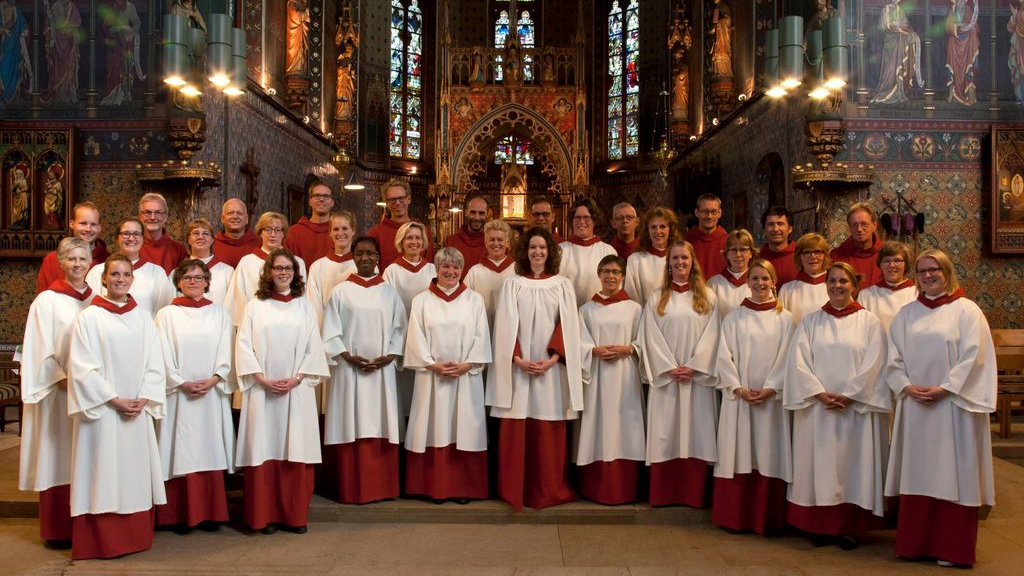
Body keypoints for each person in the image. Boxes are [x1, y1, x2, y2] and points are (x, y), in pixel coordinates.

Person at [885, 249, 996, 568]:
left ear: (947, 272)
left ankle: (952, 548)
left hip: (953, 408)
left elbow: (975, 356)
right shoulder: (907, 314)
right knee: (920, 473)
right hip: (917, 407)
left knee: (953, 473)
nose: (928, 275)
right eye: (921, 272)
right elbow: (893, 358)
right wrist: (905, 385)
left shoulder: (967, 311)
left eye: (934, 270)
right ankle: (915, 544)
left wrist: (945, 388)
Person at [784, 262, 890, 550]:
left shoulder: (869, 322)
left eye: (843, 281)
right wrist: (818, 393)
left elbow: (876, 363)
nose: (837, 285)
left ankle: (848, 527)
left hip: (854, 409)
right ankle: (818, 525)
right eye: (832, 280)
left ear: (854, 285)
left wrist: (851, 394)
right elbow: (798, 362)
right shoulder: (810, 321)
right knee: (819, 466)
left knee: (851, 467)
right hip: (819, 409)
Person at [67, 253, 166, 560]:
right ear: (104, 278)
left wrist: (145, 397)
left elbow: (155, 362)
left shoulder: (143, 318)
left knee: (132, 473)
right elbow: (82, 368)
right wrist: (114, 399)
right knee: (101, 474)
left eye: (126, 274)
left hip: (136, 409)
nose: (121, 279)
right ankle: (100, 541)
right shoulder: (89, 318)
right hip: (103, 411)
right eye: (115, 274)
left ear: (132, 279)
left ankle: (134, 537)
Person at [487, 227, 583, 511]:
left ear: (550, 252)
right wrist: (517, 359)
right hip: (519, 369)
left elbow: (568, 325)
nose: (537, 253)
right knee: (517, 424)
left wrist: (553, 359)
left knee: (547, 426)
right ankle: (515, 488)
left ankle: (549, 489)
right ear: (524, 252)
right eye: (532, 248)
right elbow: (504, 326)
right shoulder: (512, 284)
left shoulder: (563, 285)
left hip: (550, 369)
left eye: (542, 248)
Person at [234, 248, 329, 534]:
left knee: (294, 450)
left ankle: (294, 515)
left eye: (288, 268)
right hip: (262, 391)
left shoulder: (304, 306)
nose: (283, 272)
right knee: (264, 449)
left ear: (295, 273)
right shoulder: (255, 306)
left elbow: (314, 346)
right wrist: (260, 378)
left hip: (295, 391)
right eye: (278, 268)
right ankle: (263, 516)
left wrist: (299, 377)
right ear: (268, 272)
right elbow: (243, 344)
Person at [320, 236, 407, 503]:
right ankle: (352, 488)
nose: (366, 258)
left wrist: (389, 356)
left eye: (371, 253)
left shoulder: (389, 292)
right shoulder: (340, 292)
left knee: (381, 422)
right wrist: (348, 356)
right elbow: (330, 332)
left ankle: (382, 487)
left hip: (382, 370)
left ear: (379, 257)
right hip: (350, 371)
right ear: (353, 257)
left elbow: (400, 329)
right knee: (351, 423)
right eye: (360, 253)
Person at [19, 238, 94, 545]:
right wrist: (65, 381)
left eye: (83, 259)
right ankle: (59, 530)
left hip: (91, 394)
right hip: (59, 393)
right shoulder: (47, 302)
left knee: (87, 457)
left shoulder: (98, 298)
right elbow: (38, 350)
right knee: (60, 456)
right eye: (71, 259)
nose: (77, 264)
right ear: (61, 263)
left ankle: (88, 527)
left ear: (91, 262)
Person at [711, 259, 793, 535]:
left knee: (769, 452)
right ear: (747, 282)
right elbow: (723, 356)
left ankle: (766, 518)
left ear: (774, 282)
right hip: (740, 399)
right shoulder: (735, 317)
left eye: (765, 279)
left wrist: (772, 387)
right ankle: (736, 517)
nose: (759, 284)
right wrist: (737, 387)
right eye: (754, 278)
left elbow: (789, 358)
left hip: (772, 400)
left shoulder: (786, 318)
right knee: (739, 451)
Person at [404, 248, 492, 502]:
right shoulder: (422, 301)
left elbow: (481, 336)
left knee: (463, 427)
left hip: (465, 378)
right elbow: (415, 337)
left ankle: (463, 487)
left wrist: (468, 364)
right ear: (436, 269)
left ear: (462, 270)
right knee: (432, 426)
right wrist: (432, 365)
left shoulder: (474, 300)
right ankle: (432, 487)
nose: (451, 272)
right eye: (446, 267)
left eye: (456, 267)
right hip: (432, 377)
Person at [638, 240, 721, 507]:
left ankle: (694, 494)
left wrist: (696, 366)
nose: (680, 263)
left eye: (684, 258)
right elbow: (649, 335)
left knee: (696, 432)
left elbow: (714, 336)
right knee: (666, 433)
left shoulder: (708, 297)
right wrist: (668, 366)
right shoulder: (656, 297)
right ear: (669, 264)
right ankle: (665, 494)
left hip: (697, 379)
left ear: (692, 261)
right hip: (668, 379)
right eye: (675, 259)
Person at [154, 259, 235, 530]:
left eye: (199, 277)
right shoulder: (166, 315)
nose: (193, 281)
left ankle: (210, 512)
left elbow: (227, 350)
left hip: (211, 395)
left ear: (207, 282)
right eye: (187, 277)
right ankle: (178, 514)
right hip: (179, 394)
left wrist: (214, 379)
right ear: (178, 281)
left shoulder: (220, 314)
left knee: (209, 447)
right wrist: (180, 381)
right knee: (180, 448)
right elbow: (161, 353)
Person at [574, 254, 645, 505]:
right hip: (597, 376)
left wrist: (630, 349)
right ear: (598, 275)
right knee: (598, 424)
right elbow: (578, 342)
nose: (610, 276)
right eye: (605, 271)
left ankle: (624, 489)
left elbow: (644, 341)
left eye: (615, 272)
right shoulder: (586, 309)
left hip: (625, 377)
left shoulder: (635, 309)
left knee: (625, 426)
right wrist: (592, 350)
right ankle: (595, 488)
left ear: (623, 276)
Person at [383, 221, 436, 415]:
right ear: (401, 241)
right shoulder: (392, 271)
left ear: (424, 242)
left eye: (418, 238)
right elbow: (387, 306)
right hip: (402, 335)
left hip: (427, 338)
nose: (414, 242)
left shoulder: (432, 270)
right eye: (409, 237)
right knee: (403, 387)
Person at [223, 211, 307, 326]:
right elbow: (239, 297)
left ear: (284, 234)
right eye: (268, 229)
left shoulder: (297, 263)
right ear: (260, 233)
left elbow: (301, 297)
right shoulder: (247, 262)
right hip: (256, 323)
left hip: (289, 323)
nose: (272, 234)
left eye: (278, 230)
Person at [85, 218, 175, 316]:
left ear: (143, 239)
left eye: (136, 234)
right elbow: (90, 308)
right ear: (116, 238)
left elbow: (163, 313)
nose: (131, 238)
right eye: (126, 233)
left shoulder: (157, 273)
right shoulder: (97, 271)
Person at [36, 201, 110, 293]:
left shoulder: (110, 261)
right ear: (72, 224)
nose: (88, 229)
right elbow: (44, 300)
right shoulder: (52, 259)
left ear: (99, 227)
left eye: (93, 224)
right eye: (83, 223)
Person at [558, 197, 617, 306]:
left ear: (594, 220)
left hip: (599, 313)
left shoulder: (607, 251)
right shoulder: (560, 250)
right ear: (571, 221)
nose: (581, 222)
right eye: (577, 218)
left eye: (586, 217)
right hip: (567, 313)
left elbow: (615, 288)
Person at [306, 211, 358, 327]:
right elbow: (314, 304)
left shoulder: (363, 266)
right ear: (330, 232)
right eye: (336, 229)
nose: (340, 233)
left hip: (355, 327)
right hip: (325, 329)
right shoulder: (317, 267)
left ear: (353, 231)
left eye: (345, 228)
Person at [369, 179, 433, 266]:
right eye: (392, 199)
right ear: (386, 203)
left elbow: (429, 266)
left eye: (401, 198)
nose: (397, 203)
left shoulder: (424, 232)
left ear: (408, 199)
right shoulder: (375, 234)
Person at [624, 207, 682, 305]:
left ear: (670, 230)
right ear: (647, 231)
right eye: (653, 227)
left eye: (662, 226)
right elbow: (632, 299)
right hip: (646, 316)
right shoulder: (635, 260)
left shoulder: (680, 259)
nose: (658, 231)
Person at [463, 219, 515, 324]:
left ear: (508, 243)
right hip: (482, 327)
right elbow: (464, 303)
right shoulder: (474, 272)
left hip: (509, 327)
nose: (496, 243)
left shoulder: (517, 270)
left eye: (500, 239)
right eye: (491, 239)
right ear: (485, 243)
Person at [857, 241, 917, 332]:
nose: (891, 265)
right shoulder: (866, 295)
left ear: (906, 265)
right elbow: (860, 328)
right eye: (886, 261)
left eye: (897, 260)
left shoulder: (917, 294)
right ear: (880, 264)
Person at [871, 0, 923, 104]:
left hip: (901, 43)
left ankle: (900, 94)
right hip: (890, 44)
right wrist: (897, 26)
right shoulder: (886, 9)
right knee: (890, 67)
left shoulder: (901, 10)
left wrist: (905, 30)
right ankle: (886, 91)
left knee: (899, 67)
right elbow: (885, 25)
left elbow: (906, 25)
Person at [778, 232, 830, 324]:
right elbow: (781, 325)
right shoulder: (787, 290)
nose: (813, 257)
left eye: (818, 252)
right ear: (799, 257)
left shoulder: (836, 286)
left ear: (824, 255)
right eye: (807, 252)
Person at [829, 203, 883, 287]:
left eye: (864, 224)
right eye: (854, 225)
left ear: (874, 225)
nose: (859, 229)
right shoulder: (836, 256)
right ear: (849, 228)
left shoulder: (887, 255)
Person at [183, 219, 234, 305]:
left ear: (212, 240)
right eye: (196, 233)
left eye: (205, 233)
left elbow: (232, 305)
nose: (200, 237)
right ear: (189, 239)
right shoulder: (178, 272)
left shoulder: (227, 272)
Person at [285, 181, 335, 266]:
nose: (321, 199)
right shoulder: (293, 233)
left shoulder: (340, 233)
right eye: (317, 196)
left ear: (332, 202)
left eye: (326, 196)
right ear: (309, 201)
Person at [708, 229, 756, 317]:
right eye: (733, 250)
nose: (738, 254)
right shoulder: (714, 284)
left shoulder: (758, 282)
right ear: (727, 254)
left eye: (743, 249)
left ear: (751, 254)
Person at [138, 193, 189, 274]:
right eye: (147, 212)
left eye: (158, 213)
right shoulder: (133, 248)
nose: (152, 217)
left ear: (165, 217)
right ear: (140, 217)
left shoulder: (179, 250)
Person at [685, 194, 728, 278]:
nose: (709, 216)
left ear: (720, 213)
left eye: (714, 211)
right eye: (704, 211)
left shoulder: (729, 242)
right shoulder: (686, 242)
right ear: (696, 212)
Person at [444, 196, 489, 275]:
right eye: (473, 212)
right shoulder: (451, 242)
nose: (477, 217)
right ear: (465, 212)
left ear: (487, 214)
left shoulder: (493, 244)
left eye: (481, 213)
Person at [213, 198, 261, 268]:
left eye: (239, 213)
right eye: (230, 213)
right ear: (222, 219)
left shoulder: (259, 244)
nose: (235, 217)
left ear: (246, 219)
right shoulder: (211, 245)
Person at [758, 205, 797, 285]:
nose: (775, 229)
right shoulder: (756, 258)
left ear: (790, 229)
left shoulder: (802, 256)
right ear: (764, 230)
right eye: (770, 224)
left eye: (780, 224)